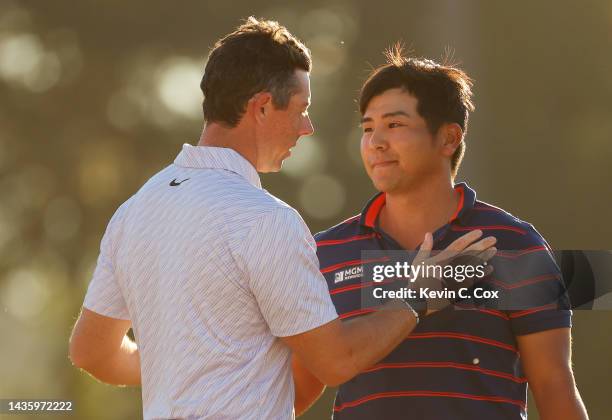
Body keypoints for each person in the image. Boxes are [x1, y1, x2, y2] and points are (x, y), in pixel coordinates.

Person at [67, 19, 493, 420]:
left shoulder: (136, 209)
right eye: (301, 109)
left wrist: (188, 357)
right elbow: (337, 361)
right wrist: (417, 295)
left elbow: (91, 352)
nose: (306, 127)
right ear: (263, 108)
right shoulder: (266, 220)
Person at [295, 47, 589, 419]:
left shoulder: (516, 246)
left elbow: (555, 388)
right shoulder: (325, 252)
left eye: (395, 125)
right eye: (368, 128)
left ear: (449, 138)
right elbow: (293, 393)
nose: (376, 142)